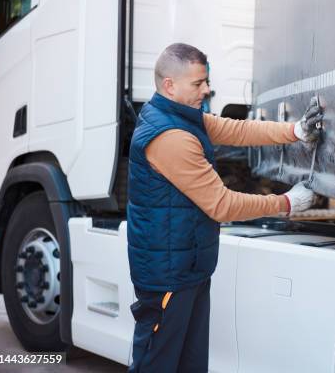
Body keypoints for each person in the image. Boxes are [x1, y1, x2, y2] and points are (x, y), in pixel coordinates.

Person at [126, 43, 322, 372]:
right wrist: (286, 203)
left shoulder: (180, 116)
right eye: (198, 84)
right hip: (169, 277)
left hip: (188, 268)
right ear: (169, 85)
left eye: (207, 81)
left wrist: (294, 131)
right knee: (156, 365)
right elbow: (221, 204)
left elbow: (235, 129)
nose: (207, 89)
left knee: (188, 365)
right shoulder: (170, 136)